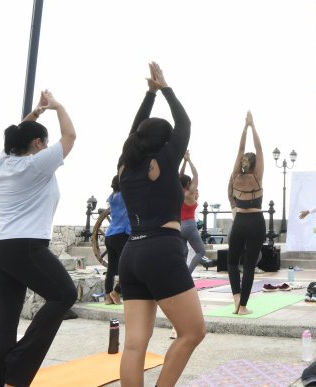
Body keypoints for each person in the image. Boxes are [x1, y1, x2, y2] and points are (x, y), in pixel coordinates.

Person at [0, 90, 78, 387]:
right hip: (22, 246)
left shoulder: (2, 162)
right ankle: (18, 366)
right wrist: (58, 106)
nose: (48, 147)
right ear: (37, 144)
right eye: (44, 143)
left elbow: (17, 136)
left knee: (6, 318)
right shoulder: (36, 164)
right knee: (64, 295)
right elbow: (70, 136)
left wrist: (35, 113)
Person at [116, 62, 204, 387]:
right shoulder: (166, 160)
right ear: (166, 142)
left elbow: (133, 132)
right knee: (193, 332)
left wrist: (149, 95)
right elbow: (185, 122)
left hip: (132, 253)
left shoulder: (126, 165)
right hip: (161, 251)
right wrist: (165, 88)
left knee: (135, 344)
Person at [226, 112, 265, 315]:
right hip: (256, 221)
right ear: (254, 163)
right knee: (249, 266)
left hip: (240, 220)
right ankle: (243, 307)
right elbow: (258, 148)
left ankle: (235, 298)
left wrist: (244, 128)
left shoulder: (235, 177)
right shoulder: (257, 176)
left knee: (232, 262)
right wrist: (253, 126)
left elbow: (241, 149)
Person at [103, 174, 131, 305]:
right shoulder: (124, 196)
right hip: (121, 234)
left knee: (111, 268)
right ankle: (116, 292)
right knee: (128, 265)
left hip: (109, 235)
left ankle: (108, 298)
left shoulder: (112, 197)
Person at [180, 151, 207, 273]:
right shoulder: (190, 194)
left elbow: (179, 177)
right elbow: (196, 175)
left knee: (183, 252)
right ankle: (187, 274)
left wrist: (184, 162)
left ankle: (180, 277)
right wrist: (189, 160)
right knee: (201, 252)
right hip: (190, 226)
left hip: (179, 226)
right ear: (188, 184)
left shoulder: (177, 192)